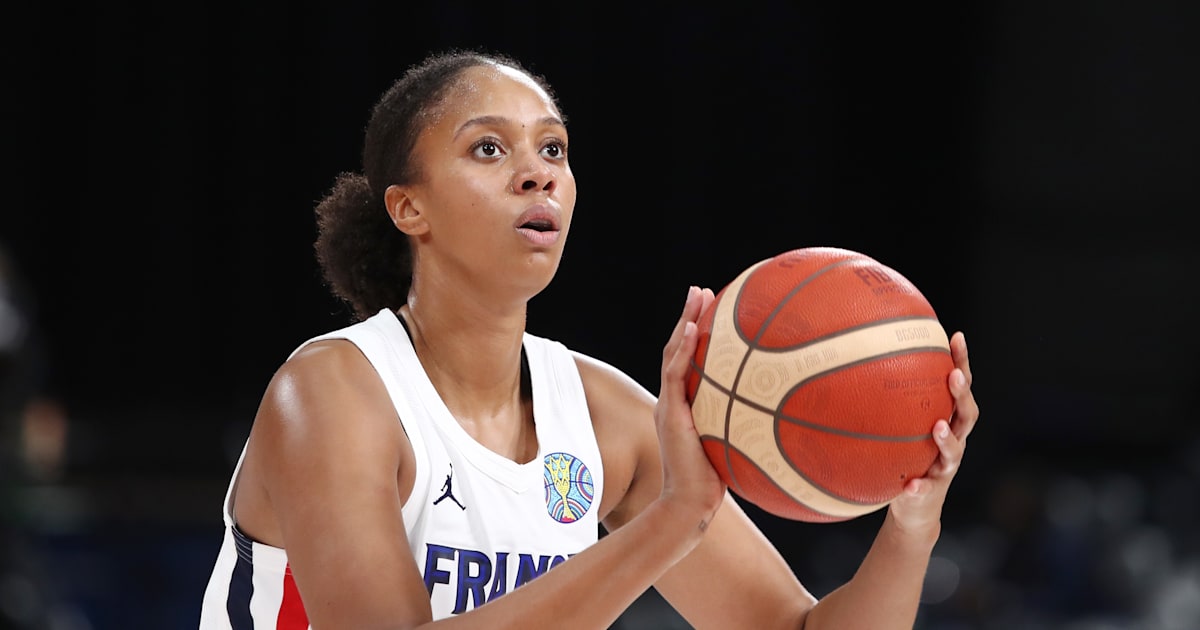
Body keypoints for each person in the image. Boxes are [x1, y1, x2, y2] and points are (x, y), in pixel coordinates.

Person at [198, 48, 980, 629]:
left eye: (553, 149)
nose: (539, 173)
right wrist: (675, 520)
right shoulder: (333, 392)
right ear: (409, 209)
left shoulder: (603, 414)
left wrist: (913, 522)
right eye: (489, 148)